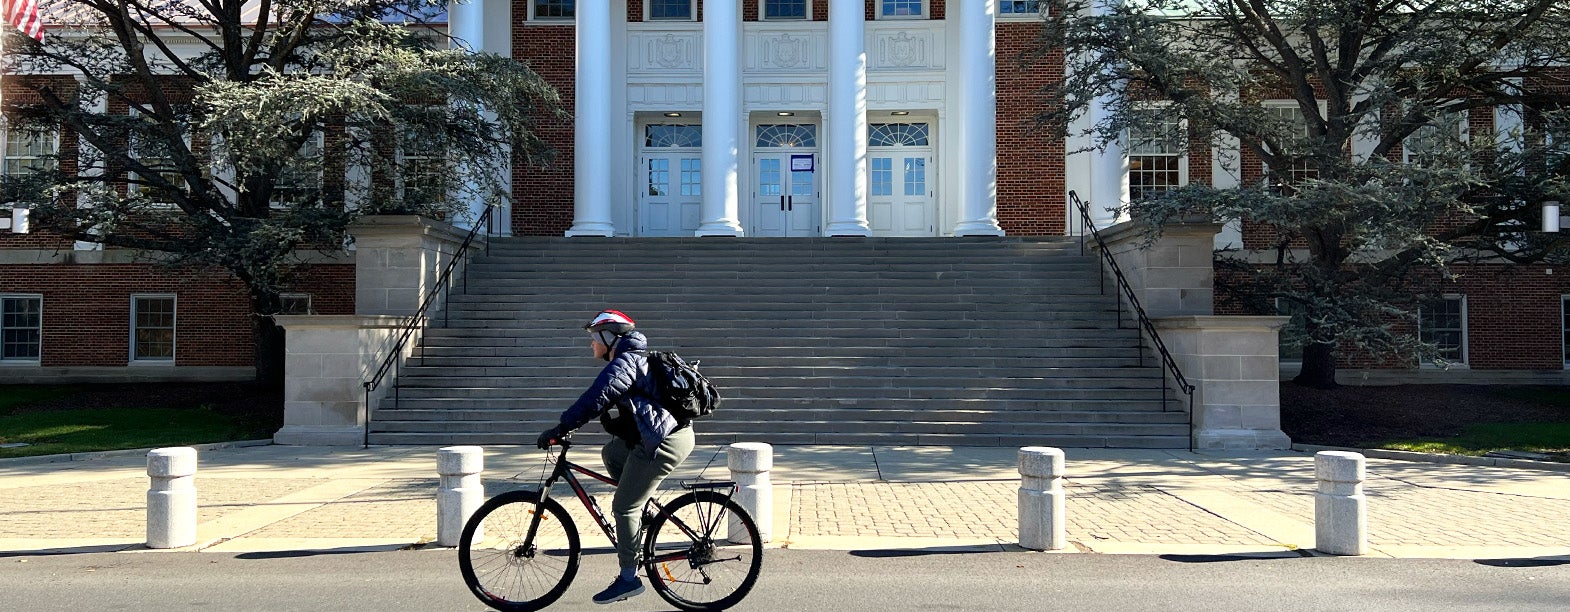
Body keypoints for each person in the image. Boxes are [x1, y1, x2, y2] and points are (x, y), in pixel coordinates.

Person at [535, 309, 695, 605]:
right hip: (657, 436)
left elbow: (596, 398)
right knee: (612, 453)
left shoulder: (625, 363)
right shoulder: (628, 359)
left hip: (665, 442)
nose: (591, 344)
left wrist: (561, 427)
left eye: (594, 337)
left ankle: (628, 579)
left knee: (622, 507)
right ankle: (641, 515)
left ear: (610, 338)